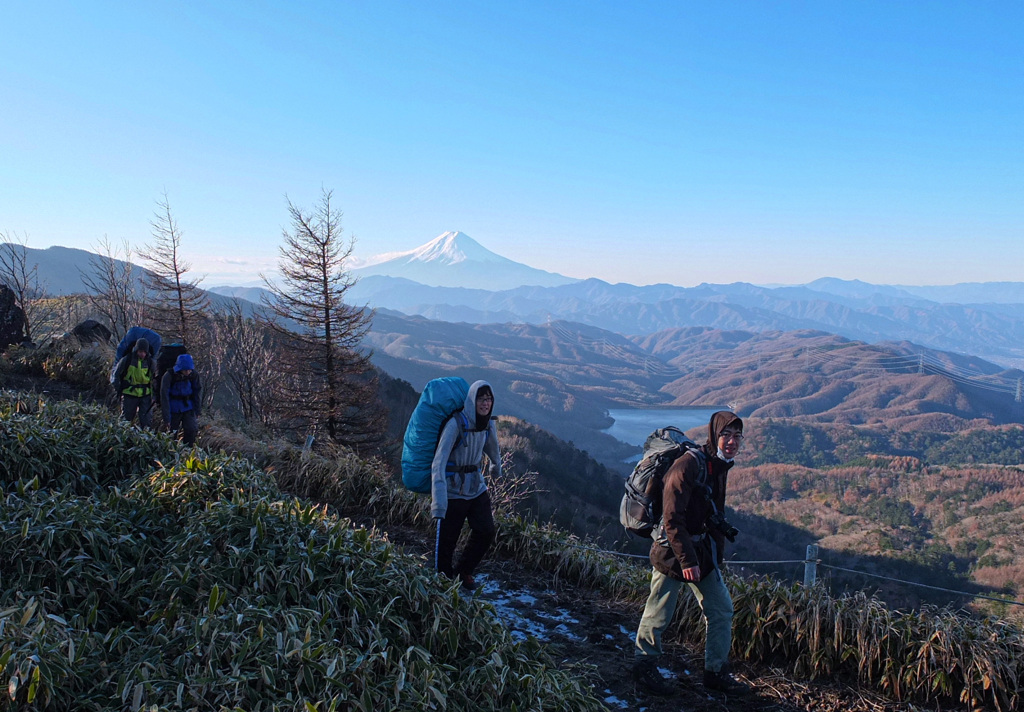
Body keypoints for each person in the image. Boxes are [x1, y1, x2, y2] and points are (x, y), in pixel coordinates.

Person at [632, 411, 750, 697]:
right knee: (659, 612)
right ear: (714, 435)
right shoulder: (687, 466)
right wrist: (687, 561)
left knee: (721, 609)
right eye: (726, 435)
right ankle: (644, 667)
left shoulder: (718, 465)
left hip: (700, 551)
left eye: (737, 436)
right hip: (672, 551)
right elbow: (672, 519)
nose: (732, 441)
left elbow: (712, 513)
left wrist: (713, 557)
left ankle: (715, 672)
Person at [430, 380, 501, 591]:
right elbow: (439, 462)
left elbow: (493, 447)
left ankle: (464, 570)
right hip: (452, 490)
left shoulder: (487, 423)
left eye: (489, 399)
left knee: (486, 531)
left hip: (476, 486)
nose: (485, 403)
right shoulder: (455, 424)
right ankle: (442, 581)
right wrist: (438, 500)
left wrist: (497, 466)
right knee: (447, 542)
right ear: (472, 400)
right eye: (481, 398)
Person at [112, 337, 157, 429]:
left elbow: (155, 380)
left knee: (146, 422)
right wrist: (119, 389)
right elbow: (115, 375)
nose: (142, 354)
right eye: (140, 351)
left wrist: (154, 396)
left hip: (146, 396)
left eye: (144, 352)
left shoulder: (150, 362)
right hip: (129, 395)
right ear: (136, 350)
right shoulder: (127, 359)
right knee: (125, 421)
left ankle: (145, 440)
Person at [160, 353, 203, 446]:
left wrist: (197, 410)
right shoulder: (169, 376)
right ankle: (171, 451)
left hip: (188, 407)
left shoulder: (194, 375)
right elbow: (164, 397)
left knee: (192, 429)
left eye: (189, 370)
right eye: (186, 370)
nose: (188, 372)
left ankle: (188, 450)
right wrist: (166, 417)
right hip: (173, 409)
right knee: (172, 433)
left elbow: (197, 392)